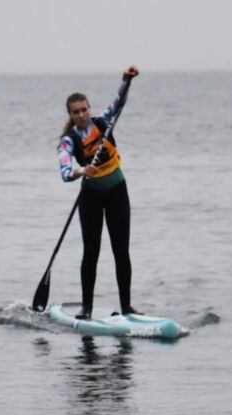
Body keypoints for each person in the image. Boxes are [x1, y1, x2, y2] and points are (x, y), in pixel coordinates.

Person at [58, 66, 140, 319]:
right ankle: (87, 308)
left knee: (121, 250)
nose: (81, 115)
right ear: (71, 115)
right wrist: (83, 171)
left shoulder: (103, 123)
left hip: (117, 191)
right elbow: (64, 173)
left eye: (84, 110)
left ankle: (127, 306)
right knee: (91, 252)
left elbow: (119, 102)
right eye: (76, 112)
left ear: (89, 109)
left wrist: (126, 80)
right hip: (90, 197)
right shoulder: (68, 140)